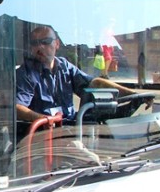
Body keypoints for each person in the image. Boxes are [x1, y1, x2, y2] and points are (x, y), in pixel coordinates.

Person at [16, 25, 148, 123]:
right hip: (44, 134)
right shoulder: (26, 73)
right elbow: (18, 107)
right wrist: (45, 120)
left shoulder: (64, 66)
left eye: (45, 42)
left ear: (57, 44)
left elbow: (95, 83)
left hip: (72, 128)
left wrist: (134, 95)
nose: (40, 47)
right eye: (35, 43)